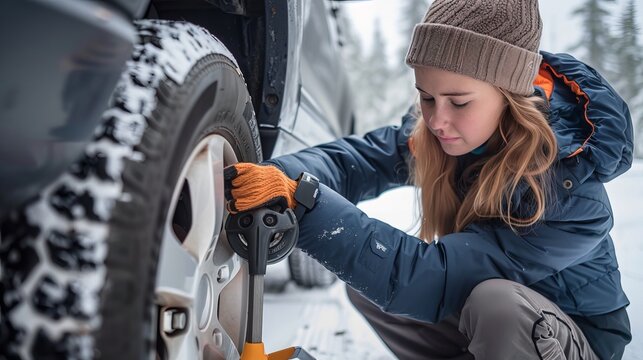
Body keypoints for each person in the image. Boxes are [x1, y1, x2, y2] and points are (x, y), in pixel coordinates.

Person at [224, 0, 633, 358]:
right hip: (498, 326)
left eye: (459, 101)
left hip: (571, 341)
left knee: (496, 307)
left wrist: (304, 204)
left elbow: (428, 279)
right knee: (368, 286)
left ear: (510, 97)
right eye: (427, 97)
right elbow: (353, 162)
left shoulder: (570, 191)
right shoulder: (442, 137)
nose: (437, 120)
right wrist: (277, 178)